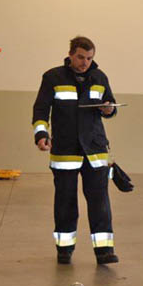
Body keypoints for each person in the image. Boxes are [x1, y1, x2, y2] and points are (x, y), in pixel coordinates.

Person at [32, 36, 119, 265]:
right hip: (65, 151)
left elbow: (111, 105)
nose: (85, 62)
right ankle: (64, 249)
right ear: (71, 54)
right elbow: (41, 110)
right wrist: (41, 134)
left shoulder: (99, 77)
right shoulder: (53, 77)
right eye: (81, 57)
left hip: (95, 150)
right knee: (65, 202)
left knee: (100, 202)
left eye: (89, 58)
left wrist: (108, 109)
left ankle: (104, 251)